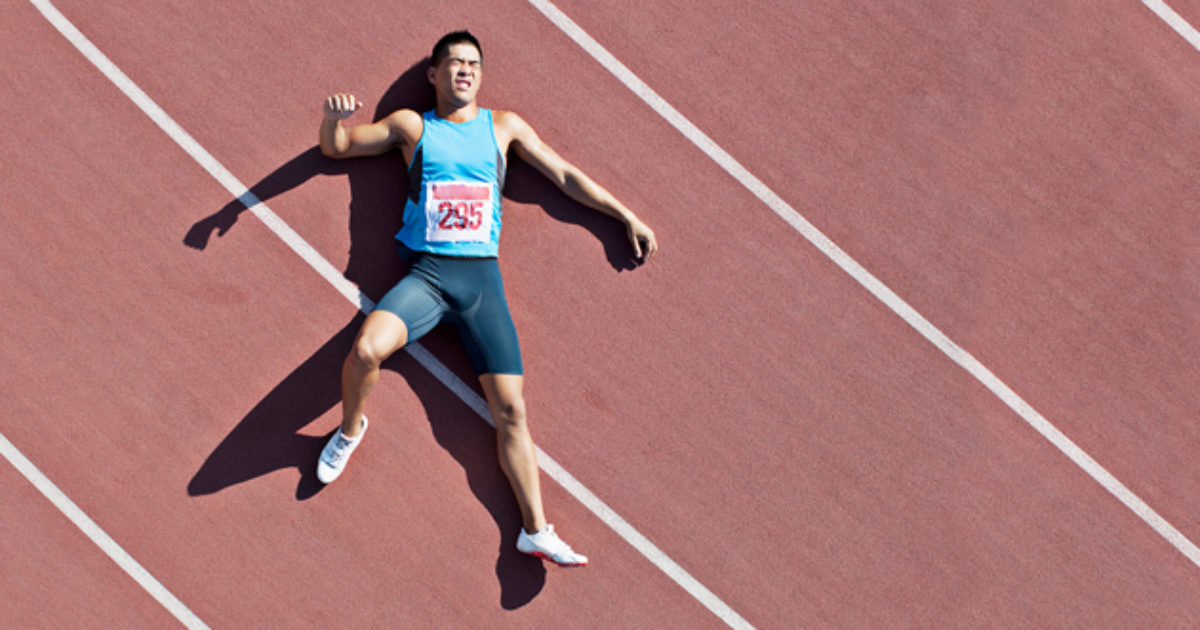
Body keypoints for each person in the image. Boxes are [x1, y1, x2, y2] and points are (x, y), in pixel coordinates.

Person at [315, 30, 657, 568]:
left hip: (481, 287)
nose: (464, 72)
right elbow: (336, 148)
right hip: (427, 278)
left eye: (473, 64)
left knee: (513, 412)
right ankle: (349, 428)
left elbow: (564, 174)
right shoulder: (412, 126)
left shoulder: (504, 127)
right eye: (454, 64)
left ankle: (535, 530)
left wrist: (624, 216)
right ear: (434, 74)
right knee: (363, 351)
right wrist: (333, 118)